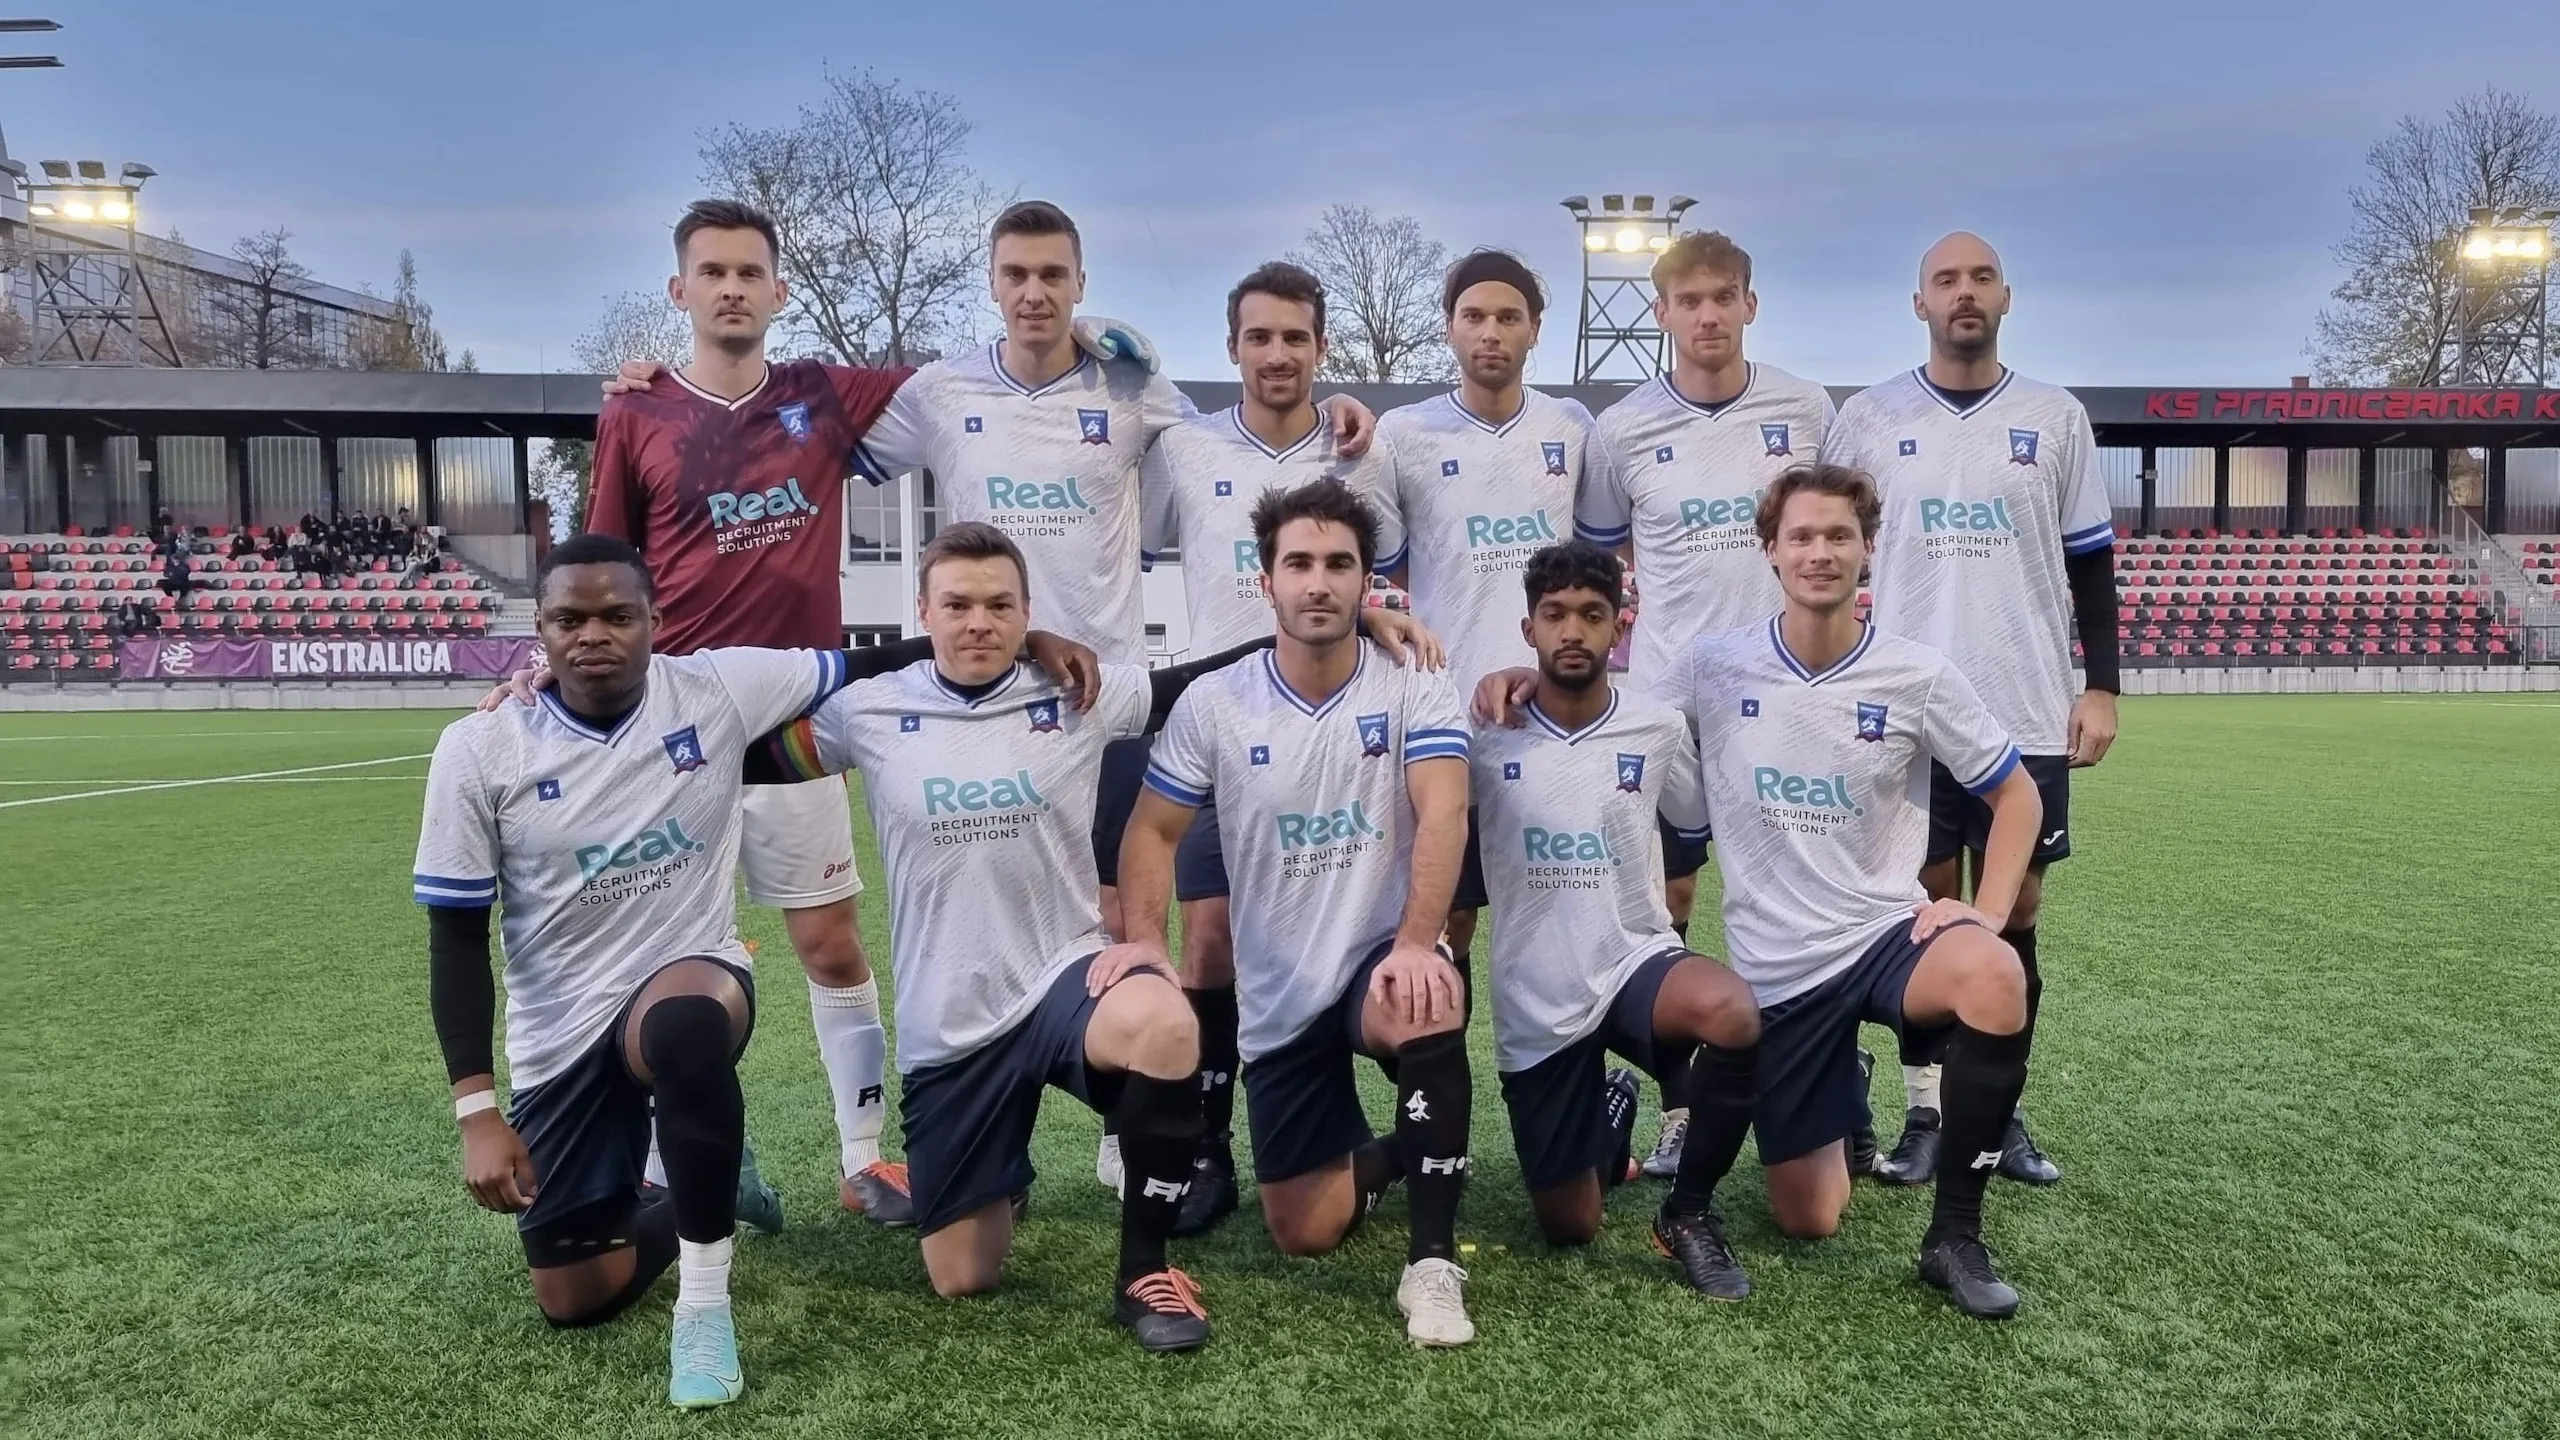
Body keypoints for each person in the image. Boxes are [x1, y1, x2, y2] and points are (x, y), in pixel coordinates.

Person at [605, 200, 1383, 1203]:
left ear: (1080, 282)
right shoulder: (937, 391)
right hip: (962, 693)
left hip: (1098, 696)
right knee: (958, 917)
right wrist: (656, 388)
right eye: (1015, 273)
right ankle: (945, 1127)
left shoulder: (1133, 390)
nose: (1033, 292)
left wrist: (1337, 420)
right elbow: (780, 425)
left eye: (1053, 274)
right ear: (990, 281)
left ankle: (1124, 1124)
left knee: (1110, 913)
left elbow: (1237, 452)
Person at [420, 532, 1095, 1406]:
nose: (595, 635)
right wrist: (477, 1108)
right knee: (575, 1298)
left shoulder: (715, 687)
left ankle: (704, 1308)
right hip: (562, 1030)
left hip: (691, 975)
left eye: (619, 615)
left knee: (687, 1029)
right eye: (569, 619)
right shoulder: (479, 749)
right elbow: (454, 938)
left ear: (655, 621)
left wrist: (1025, 641)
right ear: (538, 631)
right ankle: (716, 1182)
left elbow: (868, 660)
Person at [742, 522, 1350, 1352]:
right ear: (924, 611)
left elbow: (1194, 681)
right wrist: (567, 695)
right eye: (956, 605)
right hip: (949, 1020)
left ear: (1028, 613)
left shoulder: (1077, 692)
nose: (978, 623)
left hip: (1065, 979)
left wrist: (1336, 628)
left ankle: (1144, 1269)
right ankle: (997, 1170)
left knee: (1166, 1023)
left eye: (999, 605)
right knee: (964, 1278)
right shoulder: (866, 710)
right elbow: (743, 756)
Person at [572, 199, 925, 1225]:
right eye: (711, 271)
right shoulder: (635, 413)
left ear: (778, 291)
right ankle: (676, 1167)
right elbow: (604, 570)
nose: (731, 287)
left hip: (794, 723)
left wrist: (1079, 337)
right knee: (659, 964)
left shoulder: (823, 394)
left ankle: (865, 1155)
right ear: (679, 291)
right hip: (674, 726)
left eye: (749, 272)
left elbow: (972, 379)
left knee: (828, 940)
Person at [1116, 478, 1481, 1348]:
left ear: (1367, 583)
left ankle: (1431, 1266)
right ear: (1266, 579)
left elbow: (1444, 810)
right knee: (1303, 1233)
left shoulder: (1412, 681)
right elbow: (1151, 830)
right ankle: (1398, 1151)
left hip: (1374, 956)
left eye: (1339, 565)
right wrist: (1142, 952)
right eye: (1300, 563)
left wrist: (1419, 943)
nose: (1319, 582)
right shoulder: (1216, 702)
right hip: (1281, 993)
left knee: (1425, 998)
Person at [1820, 232, 2118, 1188]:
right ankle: (1923, 1112)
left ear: (2005, 297)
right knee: (1922, 910)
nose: (1964, 294)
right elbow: (1818, 544)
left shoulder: (2056, 417)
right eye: (1945, 280)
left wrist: (2103, 682)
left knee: (2016, 907)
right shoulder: (1867, 419)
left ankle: (1999, 1111)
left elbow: (2091, 561)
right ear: (1919, 304)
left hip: (2026, 703)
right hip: (1903, 715)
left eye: (1979, 278)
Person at [1131, 259, 1417, 1236]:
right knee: (1208, 938)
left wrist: (1377, 616)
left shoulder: (1360, 458)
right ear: (1232, 348)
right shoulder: (1181, 448)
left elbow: (1380, 576)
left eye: (1295, 337)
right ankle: (1207, 1148)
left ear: (1319, 347)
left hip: (1338, 736)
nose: (1278, 354)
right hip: (1221, 728)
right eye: (1260, 337)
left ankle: (1409, 1133)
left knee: (1395, 946)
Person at [1569, 231, 1853, 1182]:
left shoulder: (1806, 409)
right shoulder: (1622, 432)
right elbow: (1603, 564)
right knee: (1668, 903)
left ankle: (1830, 1086)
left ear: (1750, 305)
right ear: (1661, 314)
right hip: (1671, 705)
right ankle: (1683, 1105)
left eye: (1724, 297)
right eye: (1688, 300)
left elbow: (1842, 535)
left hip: (1787, 696)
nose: (1707, 315)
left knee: (1805, 897)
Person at [1465, 539, 1765, 1297]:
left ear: (1617, 626)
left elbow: (1694, 822)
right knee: (1570, 1227)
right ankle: (1613, 1105)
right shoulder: (1482, 729)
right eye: (1555, 615)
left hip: (1633, 959)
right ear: (1528, 627)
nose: (1573, 631)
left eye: (1591, 615)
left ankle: (1688, 1215)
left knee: (1730, 1011)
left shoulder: (1657, 727)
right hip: (1536, 997)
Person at [1366, 248, 1597, 995]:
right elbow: (1384, 573)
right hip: (1445, 712)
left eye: (1508, 317)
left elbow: (1598, 566)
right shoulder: (1403, 434)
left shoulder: (1574, 426)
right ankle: (1437, 1095)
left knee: (1565, 902)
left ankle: (1571, 1086)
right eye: (1474, 317)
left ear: (1535, 330)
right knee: (1448, 917)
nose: (1490, 332)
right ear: (1449, 329)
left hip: (1549, 710)